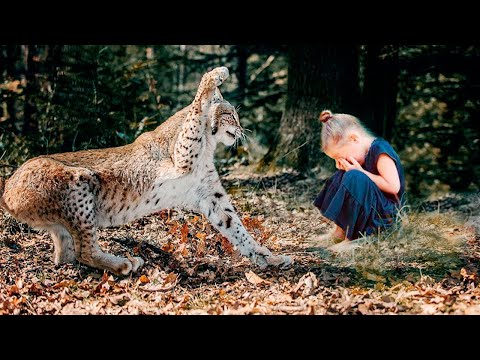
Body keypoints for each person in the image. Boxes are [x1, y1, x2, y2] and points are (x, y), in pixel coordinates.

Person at [313, 110, 406, 251]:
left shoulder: (380, 150)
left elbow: (393, 187)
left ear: (354, 139)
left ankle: (353, 238)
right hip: (371, 206)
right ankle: (341, 230)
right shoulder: (361, 152)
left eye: (343, 157)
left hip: (385, 215)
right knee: (341, 176)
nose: (342, 161)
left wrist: (360, 172)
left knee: (354, 176)